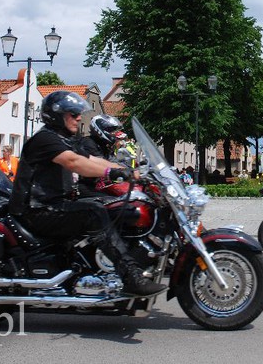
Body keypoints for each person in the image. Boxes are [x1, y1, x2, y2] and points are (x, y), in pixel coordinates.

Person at [9, 90, 166, 296]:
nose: (78, 118)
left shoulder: (64, 139)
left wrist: (133, 172)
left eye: (78, 114)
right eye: (72, 114)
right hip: (36, 210)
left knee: (110, 206)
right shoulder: (45, 139)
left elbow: (92, 160)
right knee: (94, 212)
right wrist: (116, 172)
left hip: (52, 205)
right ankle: (130, 277)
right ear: (57, 116)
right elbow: (75, 163)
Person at [75, 114, 123, 197]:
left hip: (97, 185)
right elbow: (101, 164)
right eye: (111, 130)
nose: (113, 134)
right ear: (100, 129)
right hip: (84, 186)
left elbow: (112, 161)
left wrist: (132, 170)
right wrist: (119, 171)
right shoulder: (88, 143)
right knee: (114, 202)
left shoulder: (103, 145)